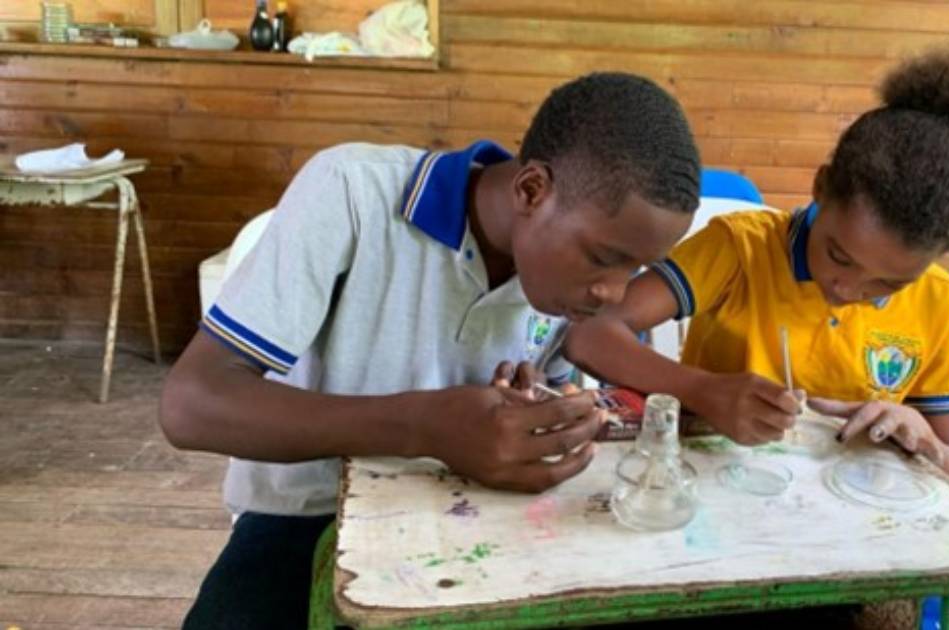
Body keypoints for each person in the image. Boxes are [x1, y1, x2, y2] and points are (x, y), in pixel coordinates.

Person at [158, 72, 702, 629]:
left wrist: (533, 415)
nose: (613, 292)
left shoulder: (565, 289)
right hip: (307, 520)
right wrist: (425, 427)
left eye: (633, 270)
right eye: (602, 258)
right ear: (532, 191)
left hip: (480, 518)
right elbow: (191, 404)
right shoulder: (353, 192)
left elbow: (552, 388)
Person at [565, 46, 949, 484]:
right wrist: (704, 390)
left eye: (890, 282)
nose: (847, 288)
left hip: (846, 523)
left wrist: (921, 436)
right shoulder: (741, 250)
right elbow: (588, 335)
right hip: (716, 490)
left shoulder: (939, 304)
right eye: (839, 255)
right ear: (821, 187)